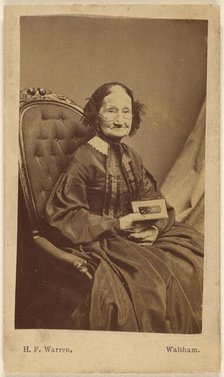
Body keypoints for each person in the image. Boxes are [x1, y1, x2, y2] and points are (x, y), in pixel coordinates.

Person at [45, 82, 203, 333]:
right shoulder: (83, 159)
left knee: (195, 257)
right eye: (112, 111)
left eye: (126, 111)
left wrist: (153, 229)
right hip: (101, 239)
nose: (120, 120)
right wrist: (119, 224)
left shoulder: (131, 156)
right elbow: (66, 215)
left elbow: (154, 202)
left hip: (137, 234)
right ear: (96, 114)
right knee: (149, 284)